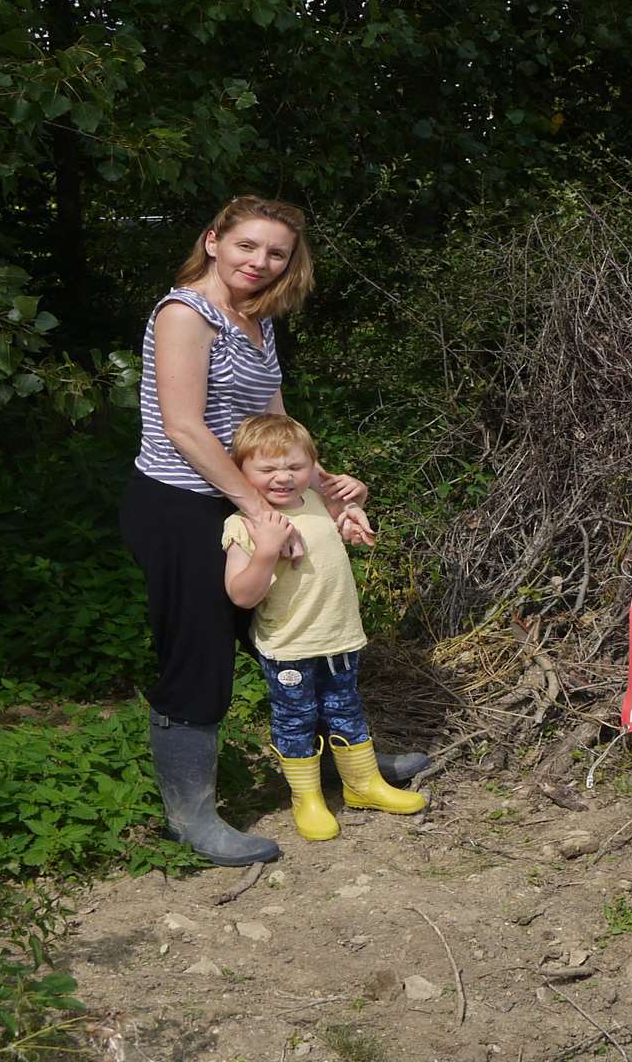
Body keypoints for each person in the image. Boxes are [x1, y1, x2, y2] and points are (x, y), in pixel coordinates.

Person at [118, 196, 424, 866]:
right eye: (247, 246)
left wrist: (326, 486)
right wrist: (256, 510)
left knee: (301, 634)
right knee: (198, 655)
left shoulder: (255, 320)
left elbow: (273, 421)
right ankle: (190, 816)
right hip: (182, 504)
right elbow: (184, 427)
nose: (260, 262)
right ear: (213, 241)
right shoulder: (184, 314)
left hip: (245, 498)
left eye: (276, 252)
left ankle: (353, 767)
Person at [222, 414, 426, 841]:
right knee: (295, 720)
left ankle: (363, 785)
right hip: (289, 646)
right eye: (267, 470)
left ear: (311, 466)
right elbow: (241, 596)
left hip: (339, 637)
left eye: (295, 468)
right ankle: (307, 799)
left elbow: (346, 515)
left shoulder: (314, 502)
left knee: (346, 709)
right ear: (240, 472)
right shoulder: (244, 525)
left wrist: (354, 511)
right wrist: (266, 552)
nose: (283, 477)